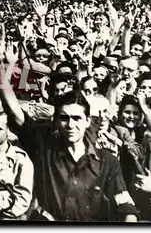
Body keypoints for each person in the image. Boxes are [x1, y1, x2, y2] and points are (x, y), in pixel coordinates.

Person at [21, 92, 139, 221]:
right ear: (56, 121)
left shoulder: (108, 161)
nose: (70, 125)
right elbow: (14, 111)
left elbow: (126, 206)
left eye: (77, 118)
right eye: (64, 118)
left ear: (88, 121)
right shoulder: (44, 149)